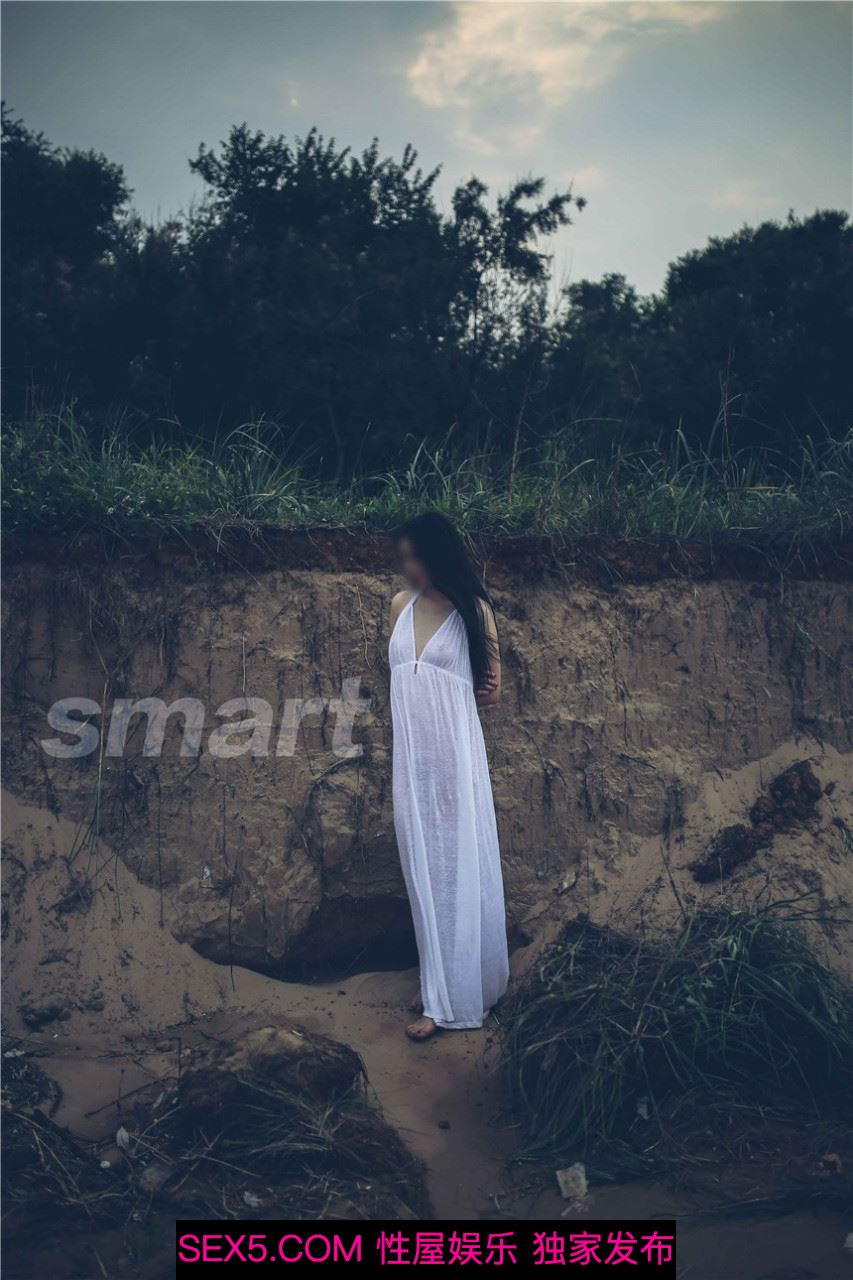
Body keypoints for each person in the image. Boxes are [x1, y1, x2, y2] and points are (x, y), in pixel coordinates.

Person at [388, 511, 509, 1041]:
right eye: (405, 558)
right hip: (411, 762)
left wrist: (468, 687)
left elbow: (492, 689)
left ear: (439, 555)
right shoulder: (399, 606)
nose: (409, 567)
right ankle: (436, 979)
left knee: (454, 871)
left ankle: (445, 1003)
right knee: (421, 870)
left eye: (416, 557)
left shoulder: (475, 612)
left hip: (454, 761)